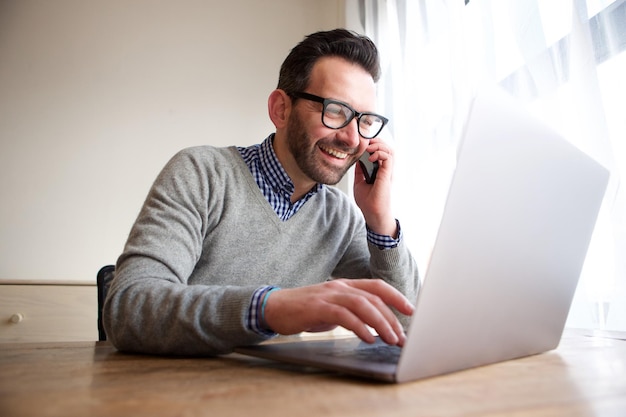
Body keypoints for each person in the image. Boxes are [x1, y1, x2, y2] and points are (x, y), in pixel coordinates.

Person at [103, 29, 420, 356]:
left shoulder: (340, 218)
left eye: (364, 120)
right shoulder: (202, 173)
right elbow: (128, 309)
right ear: (281, 109)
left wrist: (381, 221)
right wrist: (270, 308)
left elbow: (407, 322)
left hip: (272, 395)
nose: (353, 139)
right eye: (336, 111)